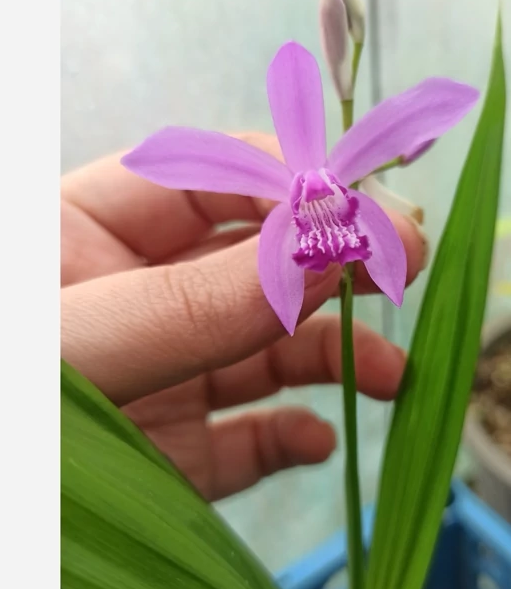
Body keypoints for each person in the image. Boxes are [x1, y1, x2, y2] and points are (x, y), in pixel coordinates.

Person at [61, 131, 428, 501]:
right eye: (311, 198)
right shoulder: (289, 220)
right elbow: (158, 160)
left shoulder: (338, 210)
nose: (316, 196)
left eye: (323, 195)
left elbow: (385, 264)